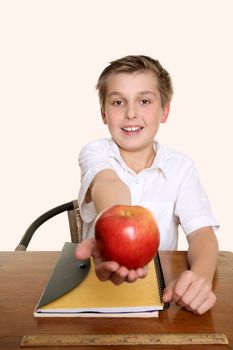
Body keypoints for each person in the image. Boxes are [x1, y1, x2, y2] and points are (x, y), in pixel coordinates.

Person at [75, 55, 219, 315]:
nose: (131, 113)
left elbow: (202, 234)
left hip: (159, 291)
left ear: (164, 111)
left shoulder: (181, 167)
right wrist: (116, 234)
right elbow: (108, 183)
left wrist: (200, 278)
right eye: (118, 102)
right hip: (97, 288)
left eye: (144, 101)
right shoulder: (95, 151)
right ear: (103, 113)